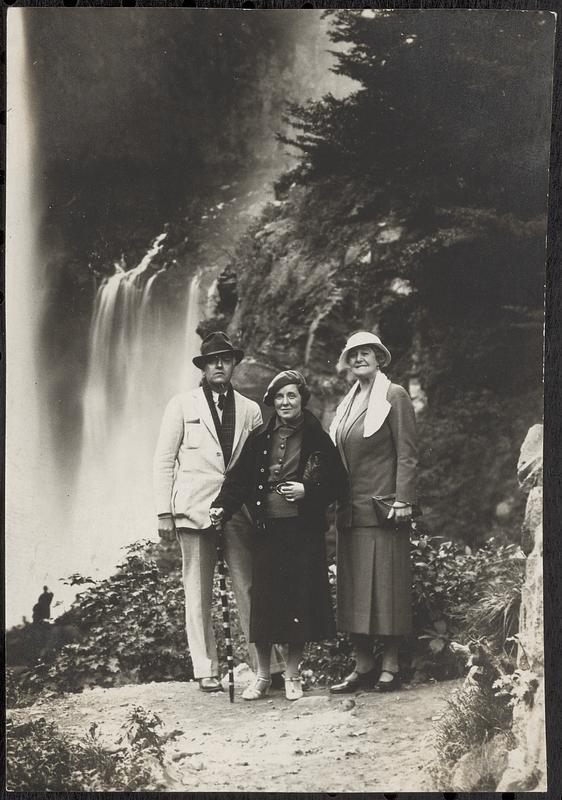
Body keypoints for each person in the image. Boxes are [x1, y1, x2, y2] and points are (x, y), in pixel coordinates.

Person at [153, 331, 284, 692]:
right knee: (197, 588)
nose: (219, 366)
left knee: (249, 586)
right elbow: (164, 460)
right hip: (193, 508)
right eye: (213, 360)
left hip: (237, 510)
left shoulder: (251, 409)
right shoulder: (181, 404)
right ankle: (205, 668)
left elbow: (261, 464)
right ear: (203, 366)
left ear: (233, 365)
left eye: (225, 360)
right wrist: (164, 512)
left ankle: (265, 666)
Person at [210, 370, 345, 701]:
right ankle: (260, 675)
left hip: (303, 530)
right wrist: (220, 508)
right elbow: (238, 480)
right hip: (267, 529)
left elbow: (339, 483)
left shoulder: (317, 436)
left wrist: (307, 489)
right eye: (280, 397)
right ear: (271, 402)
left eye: (292, 396)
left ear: (301, 400)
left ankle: (293, 673)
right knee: (264, 603)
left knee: (299, 600)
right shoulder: (260, 438)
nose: (286, 402)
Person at [329, 331, 418, 694]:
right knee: (352, 590)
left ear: (380, 358)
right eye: (353, 354)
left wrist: (403, 500)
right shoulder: (347, 403)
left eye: (366, 353)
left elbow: (408, 453)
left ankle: (391, 665)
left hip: (384, 510)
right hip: (351, 511)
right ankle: (363, 664)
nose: (359, 358)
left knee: (387, 587)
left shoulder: (393, 396)